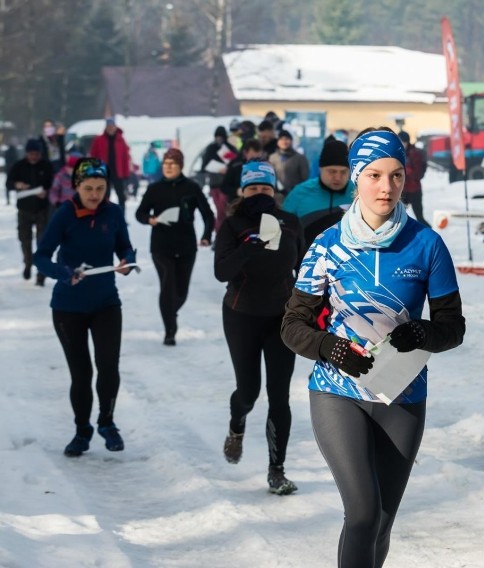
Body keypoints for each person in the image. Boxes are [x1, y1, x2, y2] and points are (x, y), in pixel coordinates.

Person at [281, 127, 465, 568]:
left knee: (382, 519)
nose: (387, 187)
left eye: (397, 175)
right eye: (375, 175)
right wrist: (329, 348)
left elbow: (452, 327)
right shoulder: (327, 245)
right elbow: (292, 325)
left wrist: (423, 333)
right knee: (362, 512)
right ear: (356, 178)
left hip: (403, 393)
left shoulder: (426, 245)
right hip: (337, 391)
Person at [33, 157, 137, 457]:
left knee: (108, 366)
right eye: (89, 188)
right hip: (68, 307)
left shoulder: (113, 212)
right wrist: (63, 273)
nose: (95, 194)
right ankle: (82, 431)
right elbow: (40, 257)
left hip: (106, 303)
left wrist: (127, 262)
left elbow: (126, 247)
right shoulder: (65, 214)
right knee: (81, 374)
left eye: (101, 188)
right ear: (76, 187)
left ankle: (106, 422)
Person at [214, 160, 305, 495]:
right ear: (242, 191)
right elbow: (220, 272)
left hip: (282, 317)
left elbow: (305, 266)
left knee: (279, 397)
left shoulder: (291, 223)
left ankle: (276, 471)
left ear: (274, 191)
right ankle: (237, 425)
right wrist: (245, 248)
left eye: (265, 189)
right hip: (241, 315)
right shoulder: (233, 224)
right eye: (253, 189)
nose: (259, 195)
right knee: (249, 392)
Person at [135, 148, 214, 345]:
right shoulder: (155, 189)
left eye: (173, 164)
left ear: (180, 166)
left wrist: (206, 235)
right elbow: (140, 213)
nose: (168, 168)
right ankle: (169, 329)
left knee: (181, 291)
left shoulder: (192, 187)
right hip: (161, 245)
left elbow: (208, 214)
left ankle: (171, 312)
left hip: (186, 245)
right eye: (165, 164)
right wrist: (149, 220)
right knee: (168, 282)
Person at [282, 135, 355, 246]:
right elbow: (283, 228)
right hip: (305, 258)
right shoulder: (300, 193)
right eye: (332, 171)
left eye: (343, 172)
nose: (338, 177)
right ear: (321, 169)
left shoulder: (357, 193)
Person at [6, 138, 53, 285]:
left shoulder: (46, 166)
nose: (33, 156)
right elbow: (8, 183)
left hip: (42, 209)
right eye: (31, 153)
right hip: (24, 209)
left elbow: (53, 184)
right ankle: (28, 262)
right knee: (24, 239)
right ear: (27, 153)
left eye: (36, 154)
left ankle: (41, 272)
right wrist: (17, 184)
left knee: (42, 241)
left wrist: (46, 192)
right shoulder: (19, 166)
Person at [201, 126, 238, 234]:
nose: (219, 139)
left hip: (225, 185)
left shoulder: (229, 148)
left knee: (222, 211)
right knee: (220, 211)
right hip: (214, 184)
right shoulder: (210, 149)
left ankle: (221, 233)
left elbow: (235, 164)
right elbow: (204, 165)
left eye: (220, 136)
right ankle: (220, 234)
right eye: (217, 136)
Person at [89, 117, 132, 212]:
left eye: (112, 126)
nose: (110, 128)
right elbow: (93, 157)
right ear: (106, 127)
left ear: (115, 127)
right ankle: (104, 217)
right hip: (104, 173)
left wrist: (126, 173)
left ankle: (121, 217)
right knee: (104, 196)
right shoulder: (98, 140)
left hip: (118, 173)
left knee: (121, 196)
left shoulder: (121, 140)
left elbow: (125, 158)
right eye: (108, 126)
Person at [397, 131, 430, 226]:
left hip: (414, 190)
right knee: (398, 218)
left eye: (402, 142)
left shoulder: (414, 153)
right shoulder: (397, 153)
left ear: (407, 142)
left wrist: (404, 170)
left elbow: (418, 173)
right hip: (402, 191)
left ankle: (430, 235)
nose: (401, 144)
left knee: (420, 218)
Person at [222, 139, 263, 209]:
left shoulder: (265, 167)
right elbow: (224, 187)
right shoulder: (235, 166)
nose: (255, 161)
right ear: (245, 153)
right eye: (252, 158)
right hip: (237, 206)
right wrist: (236, 191)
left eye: (258, 158)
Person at [268, 128, 309, 196]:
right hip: (277, 195)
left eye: (287, 139)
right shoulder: (272, 158)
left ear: (291, 141)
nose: (284, 141)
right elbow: (270, 176)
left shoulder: (300, 158)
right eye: (281, 139)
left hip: (295, 195)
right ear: (278, 142)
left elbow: (305, 178)